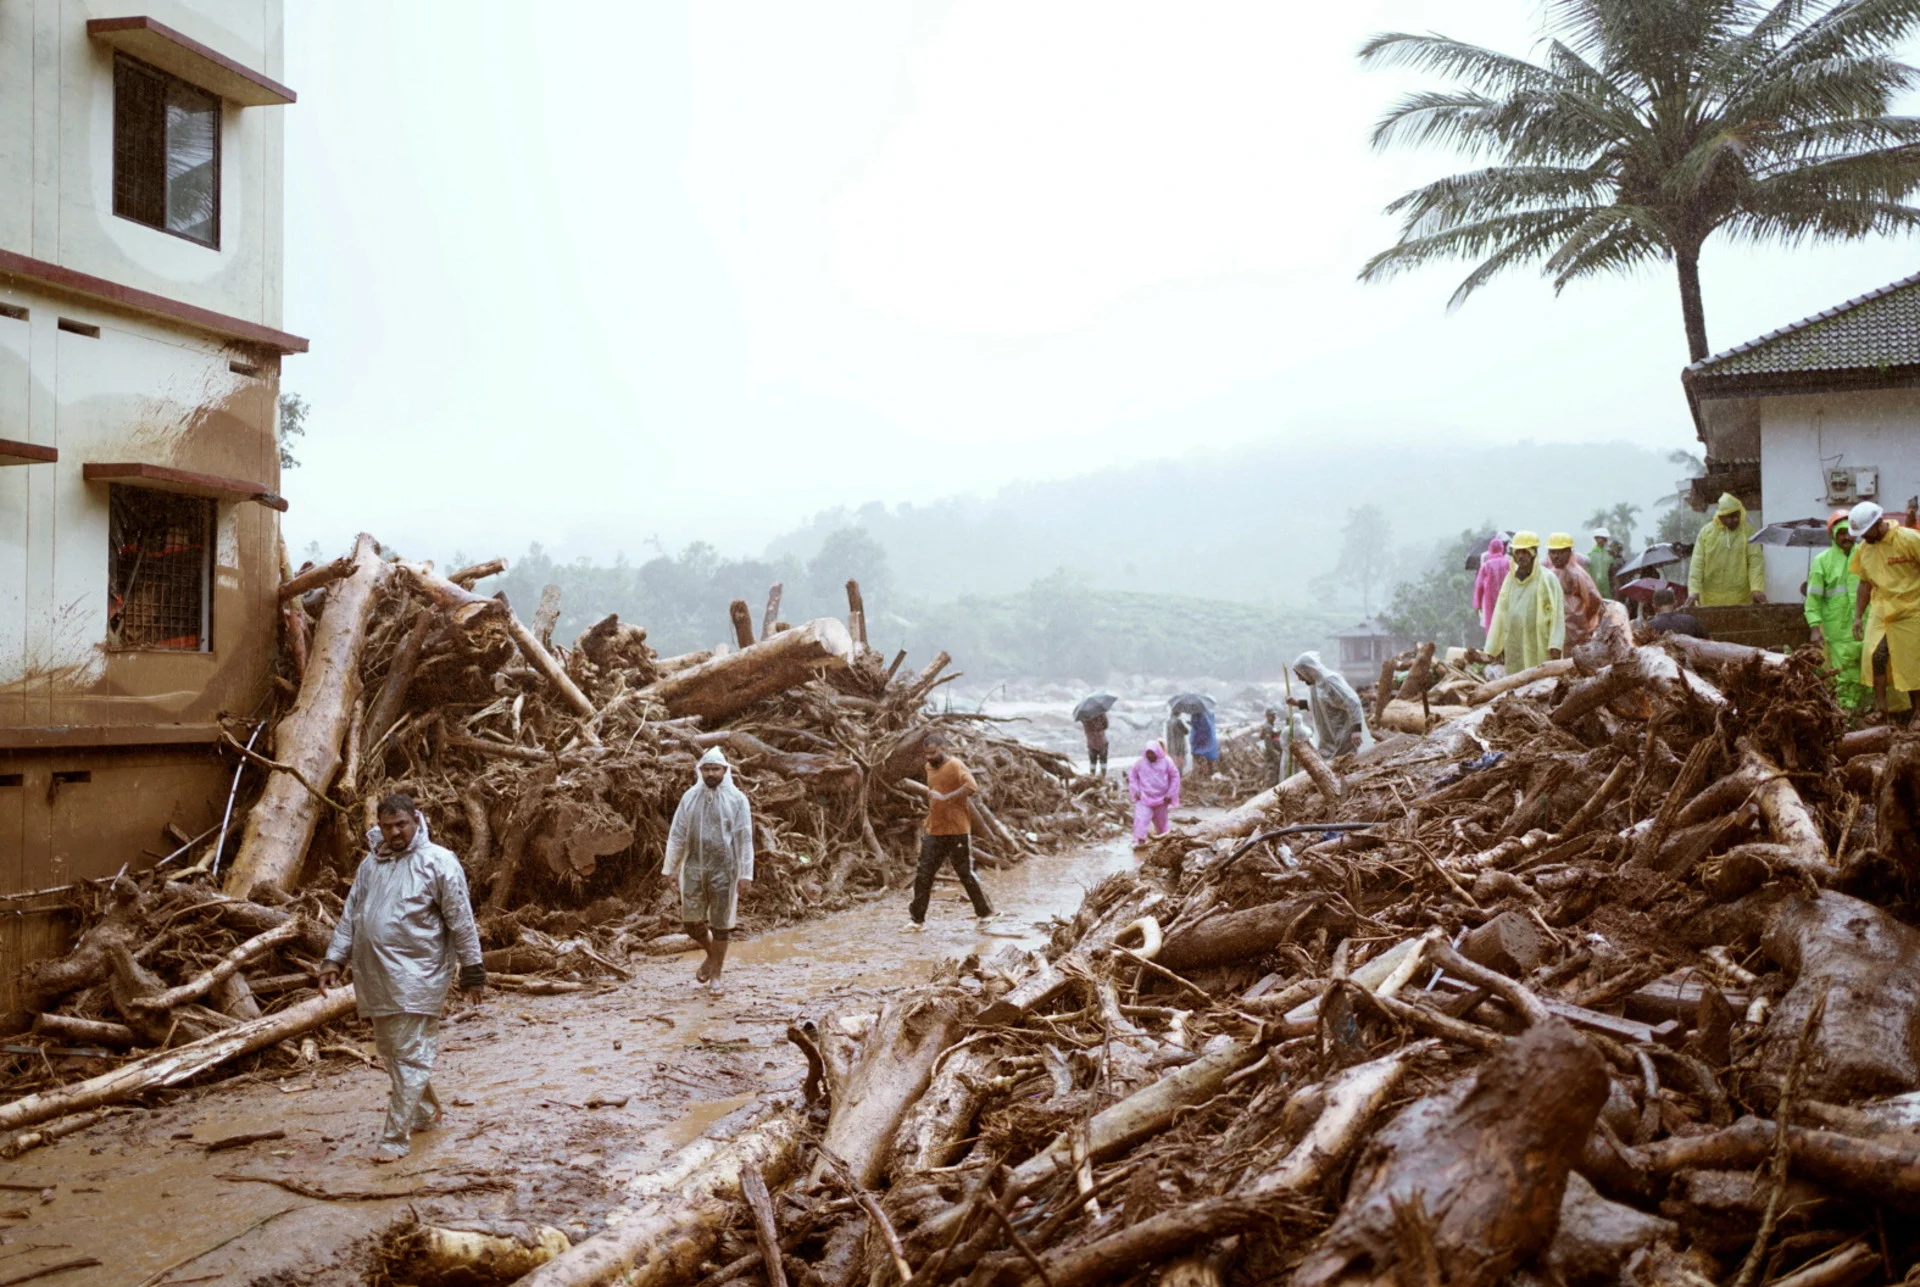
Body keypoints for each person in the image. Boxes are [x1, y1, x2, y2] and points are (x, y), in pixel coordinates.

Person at [320, 794, 484, 1162]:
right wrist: (333, 958)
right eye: (386, 826)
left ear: (417, 820)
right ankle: (426, 1113)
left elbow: (461, 920)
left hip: (420, 975)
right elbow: (351, 914)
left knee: (408, 1055)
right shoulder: (371, 864)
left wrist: (473, 970)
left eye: (401, 825)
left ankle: (394, 1139)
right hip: (376, 976)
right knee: (393, 1053)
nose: (394, 833)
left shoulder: (439, 862)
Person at [663, 747, 756, 991]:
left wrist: (746, 874)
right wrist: (670, 868)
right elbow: (677, 833)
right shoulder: (689, 797)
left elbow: (744, 838)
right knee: (692, 923)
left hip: (725, 869)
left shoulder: (737, 800)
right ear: (700, 771)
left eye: (716, 769)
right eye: (707, 769)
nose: (711, 773)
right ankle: (712, 953)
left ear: (725, 771)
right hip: (693, 866)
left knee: (721, 923)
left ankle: (716, 975)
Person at [907, 733, 994, 929]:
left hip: (957, 829)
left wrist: (946, 798)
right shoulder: (929, 767)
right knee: (923, 874)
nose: (929, 757)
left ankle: (985, 913)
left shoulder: (955, 765)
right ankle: (916, 919)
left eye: (933, 752)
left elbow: (972, 786)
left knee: (965, 873)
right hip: (935, 830)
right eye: (926, 753)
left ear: (943, 748)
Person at [1849, 500, 1920, 721]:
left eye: (1865, 531)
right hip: (1881, 608)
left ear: (1878, 523)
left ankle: (1918, 713)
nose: (1862, 537)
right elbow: (1864, 583)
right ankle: (1881, 710)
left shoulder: (1909, 539)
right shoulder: (1864, 549)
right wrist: (1858, 617)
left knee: (1911, 661)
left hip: (1911, 608)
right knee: (1875, 656)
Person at [1805, 511, 1867, 712]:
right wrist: (1815, 628)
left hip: (1866, 625)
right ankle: (1848, 714)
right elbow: (1813, 598)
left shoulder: (1866, 554)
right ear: (1832, 534)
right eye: (1841, 532)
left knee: (1870, 670)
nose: (1847, 536)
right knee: (1845, 673)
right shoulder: (1822, 561)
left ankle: (1868, 711)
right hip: (1837, 629)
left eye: (1850, 532)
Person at [1483, 531, 1565, 672]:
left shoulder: (1547, 579)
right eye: (1518, 552)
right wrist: (1493, 646)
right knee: (1516, 680)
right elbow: (1500, 611)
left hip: (1539, 641)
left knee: (1540, 679)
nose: (1521, 556)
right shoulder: (1510, 580)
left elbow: (1557, 614)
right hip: (1515, 641)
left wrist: (1555, 644)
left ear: (1534, 553)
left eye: (1525, 552)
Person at [1687, 493, 1767, 607]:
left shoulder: (1748, 531)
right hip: (1711, 599)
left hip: (1741, 598)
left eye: (1737, 515)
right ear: (1721, 516)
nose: (1735, 519)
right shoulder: (1706, 532)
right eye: (1730, 516)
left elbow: (1755, 561)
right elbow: (1697, 564)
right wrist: (1694, 591)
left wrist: (1757, 588)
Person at [1291, 651, 1373, 758]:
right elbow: (1318, 706)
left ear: (1308, 670)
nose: (1299, 678)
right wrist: (1297, 703)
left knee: (1345, 763)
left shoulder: (1330, 681)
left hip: (1344, 734)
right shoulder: (1315, 684)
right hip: (1328, 739)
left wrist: (1356, 730)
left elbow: (1352, 702)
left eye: (1299, 674)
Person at [1546, 533, 1606, 648]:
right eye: (1552, 552)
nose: (1556, 556)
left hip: (1575, 633)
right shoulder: (1550, 573)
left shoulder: (1576, 574)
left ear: (1569, 552)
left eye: (1560, 552)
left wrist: (1583, 617)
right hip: (1554, 632)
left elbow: (1595, 599)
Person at [1127, 738, 1182, 844]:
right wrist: (1136, 790)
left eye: (1152, 753)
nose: (1150, 756)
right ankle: (1140, 841)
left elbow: (1175, 776)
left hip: (1161, 798)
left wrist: (1170, 794)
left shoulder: (1166, 761)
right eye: (1148, 753)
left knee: (1162, 824)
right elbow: (1132, 775)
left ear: (1157, 752)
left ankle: (1165, 843)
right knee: (1141, 819)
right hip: (1144, 797)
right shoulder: (1140, 763)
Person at [1471, 536, 1511, 637]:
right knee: (1505, 622)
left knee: (1491, 623)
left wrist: (1477, 604)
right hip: (1505, 598)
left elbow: (1479, 586)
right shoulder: (1508, 563)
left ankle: (1492, 648)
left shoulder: (1486, 565)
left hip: (1490, 599)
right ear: (1502, 548)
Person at [1188, 707, 1219, 780]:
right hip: (1210, 745)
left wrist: (1192, 723)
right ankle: (1208, 777)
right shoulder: (1210, 714)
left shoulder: (1196, 716)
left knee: (1200, 765)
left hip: (1199, 746)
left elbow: (1198, 731)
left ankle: (1201, 779)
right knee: (1209, 763)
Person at [1079, 709, 1110, 777]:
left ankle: (1092, 776)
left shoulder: (1084, 717)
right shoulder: (1100, 713)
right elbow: (1106, 725)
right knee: (1103, 761)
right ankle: (1103, 776)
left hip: (1091, 742)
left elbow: (1085, 728)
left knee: (1092, 762)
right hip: (1101, 740)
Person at [1587, 531, 1614, 598]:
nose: (1600, 540)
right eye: (1598, 538)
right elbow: (1588, 571)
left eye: (1602, 538)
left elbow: (1612, 569)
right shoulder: (1591, 554)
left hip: (1608, 587)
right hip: (1595, 587)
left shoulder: (1610, 553)